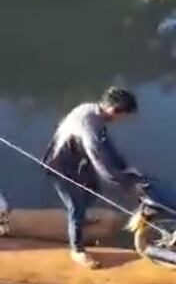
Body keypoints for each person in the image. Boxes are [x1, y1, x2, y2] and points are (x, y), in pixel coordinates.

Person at [44, 87, 141, 269]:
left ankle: (81, 218)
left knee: (93, 188)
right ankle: (77, 251)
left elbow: (108, 146)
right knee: (76, 205)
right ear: (114, 111)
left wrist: (126, 168)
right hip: (60, 167)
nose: (123, 121)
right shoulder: (88, 125)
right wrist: (126, 184)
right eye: (124, 116)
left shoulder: (95, 113)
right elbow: (101, 163)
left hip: (78, 160)